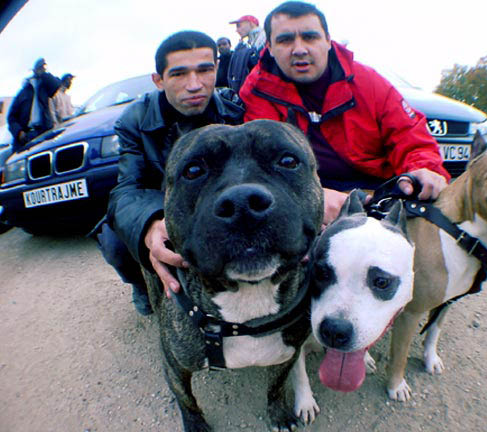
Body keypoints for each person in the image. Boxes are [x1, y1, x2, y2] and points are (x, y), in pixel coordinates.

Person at [240, 1, 451, 225]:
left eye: (310, 37)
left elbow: (410, 137)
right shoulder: (256, 91)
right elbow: (260, 166)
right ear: (270, 48)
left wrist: (423, 170)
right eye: (285, 40)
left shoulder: (368, 82)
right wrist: (311, 197)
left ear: (328, 41)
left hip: (377, 189)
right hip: (304, 192)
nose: (299, 49)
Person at [99, 31, 244, 315]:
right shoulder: (134, 120)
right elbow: (127, 188)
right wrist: (150, 222)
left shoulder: (233, 109)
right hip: (162, 204)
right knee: (114, 243)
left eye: (205, 70)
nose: (194, 85)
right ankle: (140, 283)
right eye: (179, 74)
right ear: (158, 80)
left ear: (217, 69)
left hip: (220, 202)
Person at [7, 58, 61, 150]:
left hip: (44, 132)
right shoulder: (22, 93)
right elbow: (11, 117)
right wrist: (19, 132)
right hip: (27, 136)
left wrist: (43, 73)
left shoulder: (44, 88)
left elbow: (56, 85)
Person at [227, 15, 266, 92]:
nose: (237, 30)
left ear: (251, 23)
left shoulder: (264, 38)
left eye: (239, 26)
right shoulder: (251, 40)